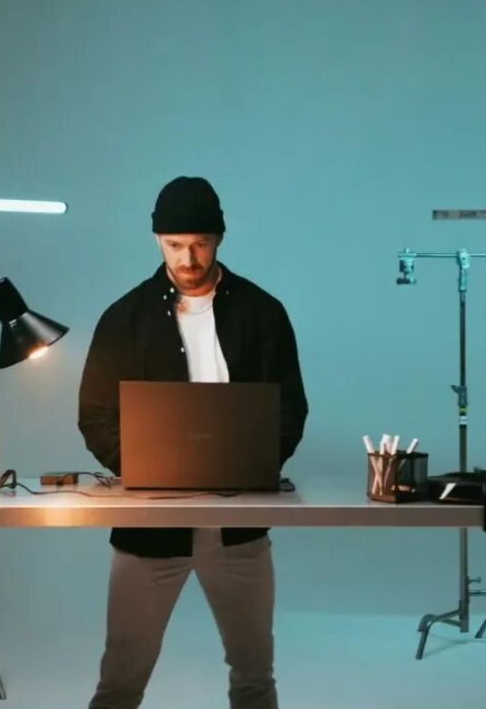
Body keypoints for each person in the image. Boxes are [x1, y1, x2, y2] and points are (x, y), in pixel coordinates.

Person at [78, 176, 308, 709]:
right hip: (149, 525)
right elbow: (95, 415)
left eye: (200, 243)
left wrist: (255, 464)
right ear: (157, 240)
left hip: (239, 525)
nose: (188, 258)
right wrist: (145, 467)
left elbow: (290, 408)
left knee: (254, 675)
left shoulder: (263, 312)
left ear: (220, 238)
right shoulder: (124, 318)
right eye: (175, 244)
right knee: (120, 681)